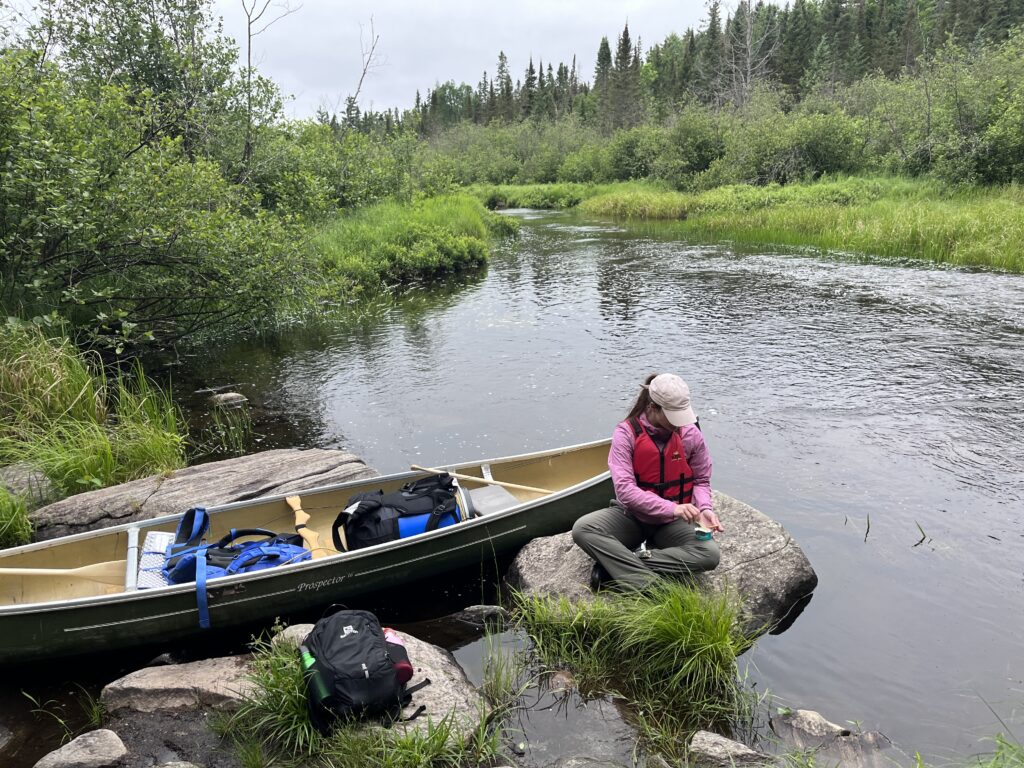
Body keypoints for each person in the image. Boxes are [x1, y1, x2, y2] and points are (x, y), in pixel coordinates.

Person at [572, 373, 723, 592]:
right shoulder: (626, 434)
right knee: (583, 529)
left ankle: (614, 570)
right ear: (653, 407)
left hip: (671, 524)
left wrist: (705, 509)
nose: (679, 423)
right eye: (673, 416)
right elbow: (625, 491)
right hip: (633, 517)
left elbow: (700, 479)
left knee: (709, 554)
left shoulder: (691, 434)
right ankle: (652, 588)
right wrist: (673, 508)